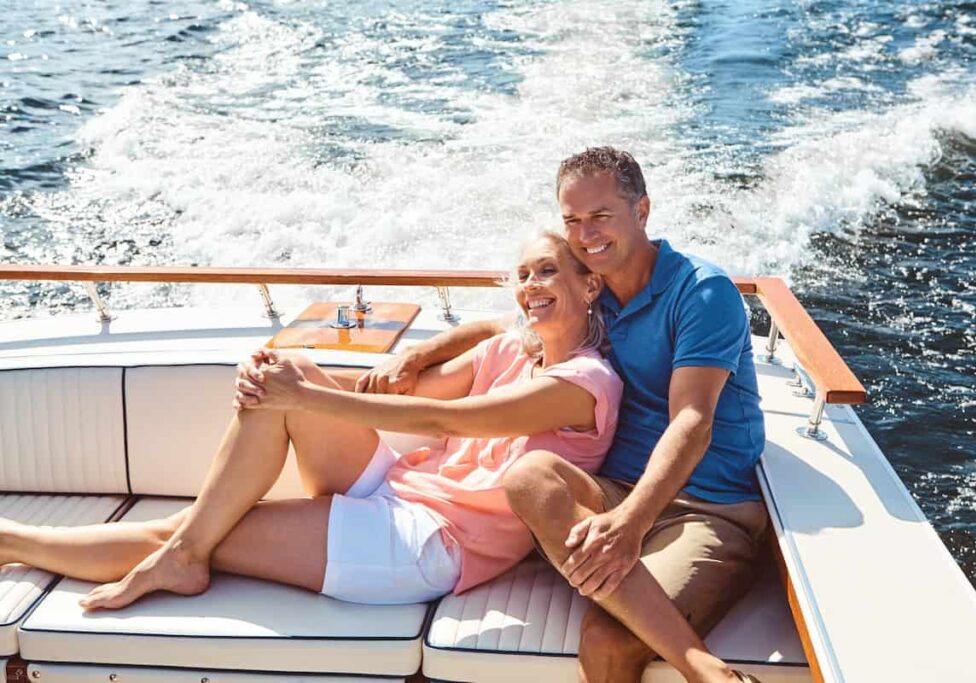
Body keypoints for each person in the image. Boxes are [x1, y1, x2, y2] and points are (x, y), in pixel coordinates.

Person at [0, 232, 622, 611]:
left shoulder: (585, 384)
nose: (530, 285)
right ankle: (184, 551)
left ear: (589, 284)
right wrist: (281, 382)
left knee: (189, 530)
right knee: (288, 369)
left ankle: (17, 543)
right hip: (401, 489)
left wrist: (304, 396)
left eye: (547, 271)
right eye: (522, 275)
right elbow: (403, 391)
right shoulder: (510, 349)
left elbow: (442, 415)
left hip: (432, 546)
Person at [359, 148, 767, 683]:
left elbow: (692, 419)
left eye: (601, 216)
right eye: (572, 220)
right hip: (613, 489)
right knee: (529, 474)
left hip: (704, 505)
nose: (586, 234)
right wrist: (417, 353)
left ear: (641, 211)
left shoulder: (701, 292)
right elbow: (500, 327)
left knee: (609, 643)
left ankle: (708, 672)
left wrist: (629, 523)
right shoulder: (592, 290)